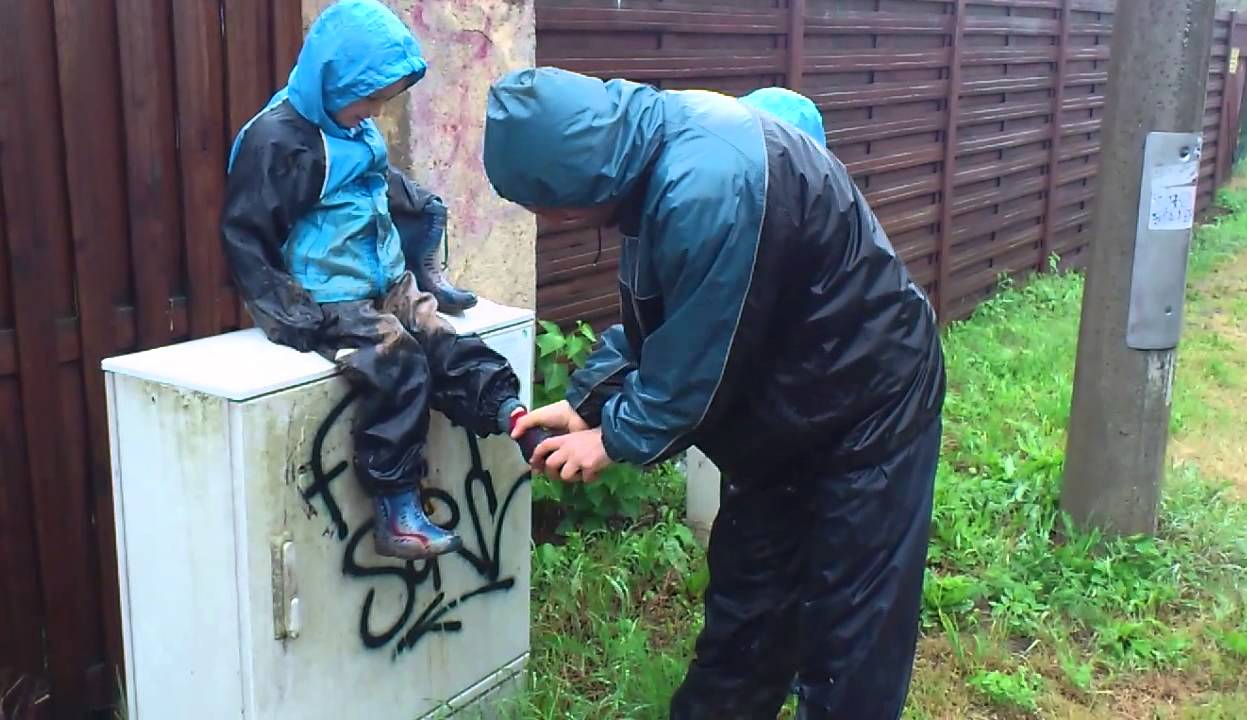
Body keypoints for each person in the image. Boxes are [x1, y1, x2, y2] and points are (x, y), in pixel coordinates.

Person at [484, 67, 946, 719]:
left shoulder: (705, 184)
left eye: (541, 204)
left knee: (851, 633)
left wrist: (612, 438)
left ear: (569, 187)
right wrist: (587, 401)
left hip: (869, 403)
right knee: (748, 609)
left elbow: (697, 366)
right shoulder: (646, 160)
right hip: (778, 411)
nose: (548, 219)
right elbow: (664, 318)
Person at [221, 0, 531, 561]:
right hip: (330, 293)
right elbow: (247, 233)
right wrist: (296, 317)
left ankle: (506, 410)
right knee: (399, 362)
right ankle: (396, 506)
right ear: (331, 79)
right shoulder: (279, 139)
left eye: (382, 100)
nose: (374, 111)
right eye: (367, 99)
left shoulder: (352, 125)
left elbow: (378, 184)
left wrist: (423, 233)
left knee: (439, 335)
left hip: (385, 276)